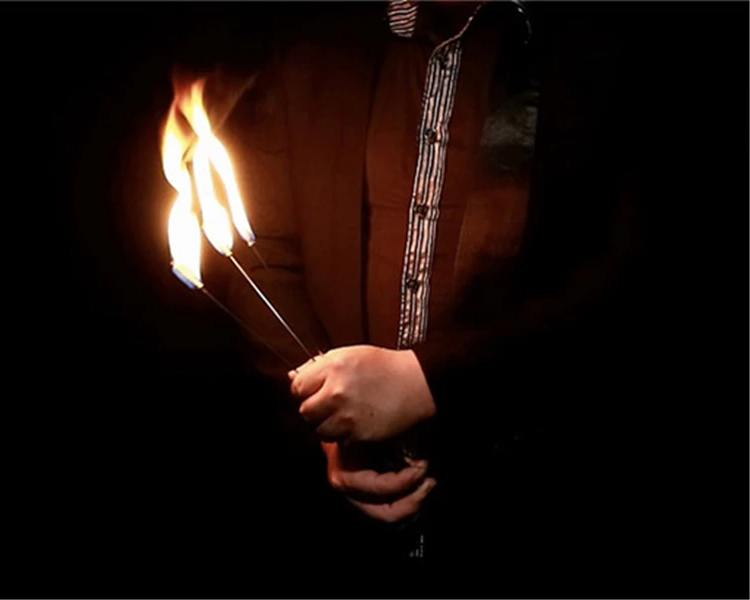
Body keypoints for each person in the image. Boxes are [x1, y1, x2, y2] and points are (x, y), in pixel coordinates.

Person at [206, 0, 654, 593]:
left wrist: (431, 380)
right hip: (330, 533)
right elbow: (264, 249)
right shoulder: (313, 34)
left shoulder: (607, 43)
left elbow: (630, 282)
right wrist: (330, 412)